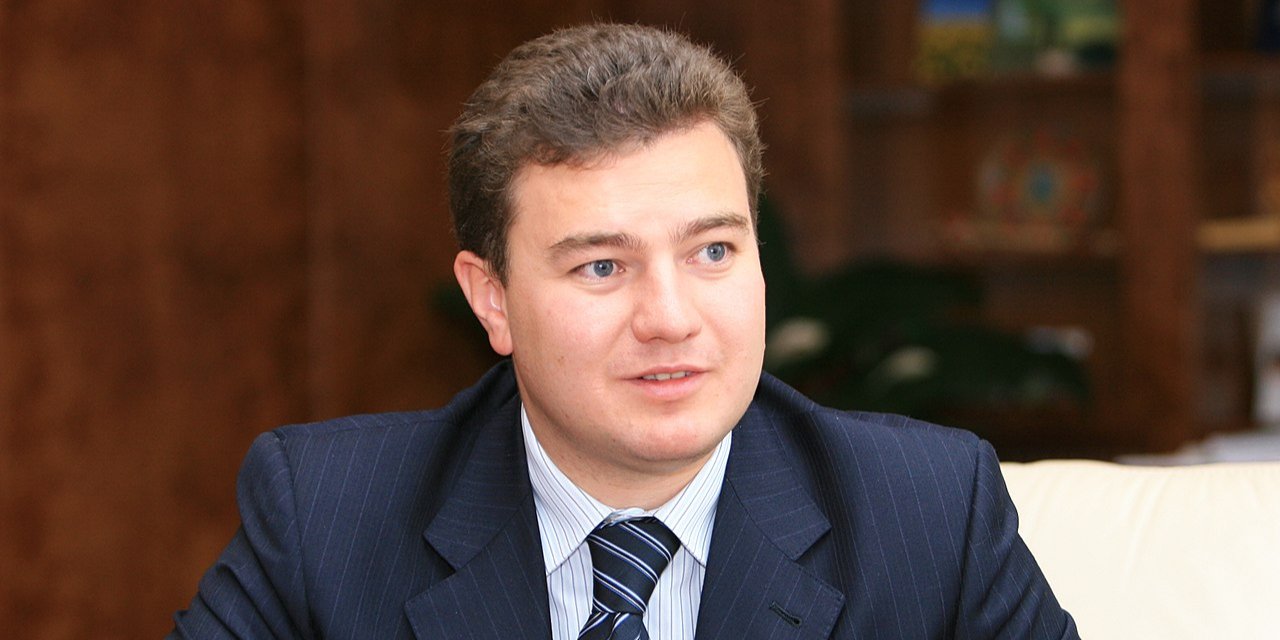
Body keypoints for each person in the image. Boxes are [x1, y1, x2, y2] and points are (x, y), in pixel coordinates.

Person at [169, 23, 1078, 639]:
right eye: (602, 267)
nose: (671, 319)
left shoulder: (928, 514)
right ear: (492, 300)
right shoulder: (325, 519)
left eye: (712, 251)